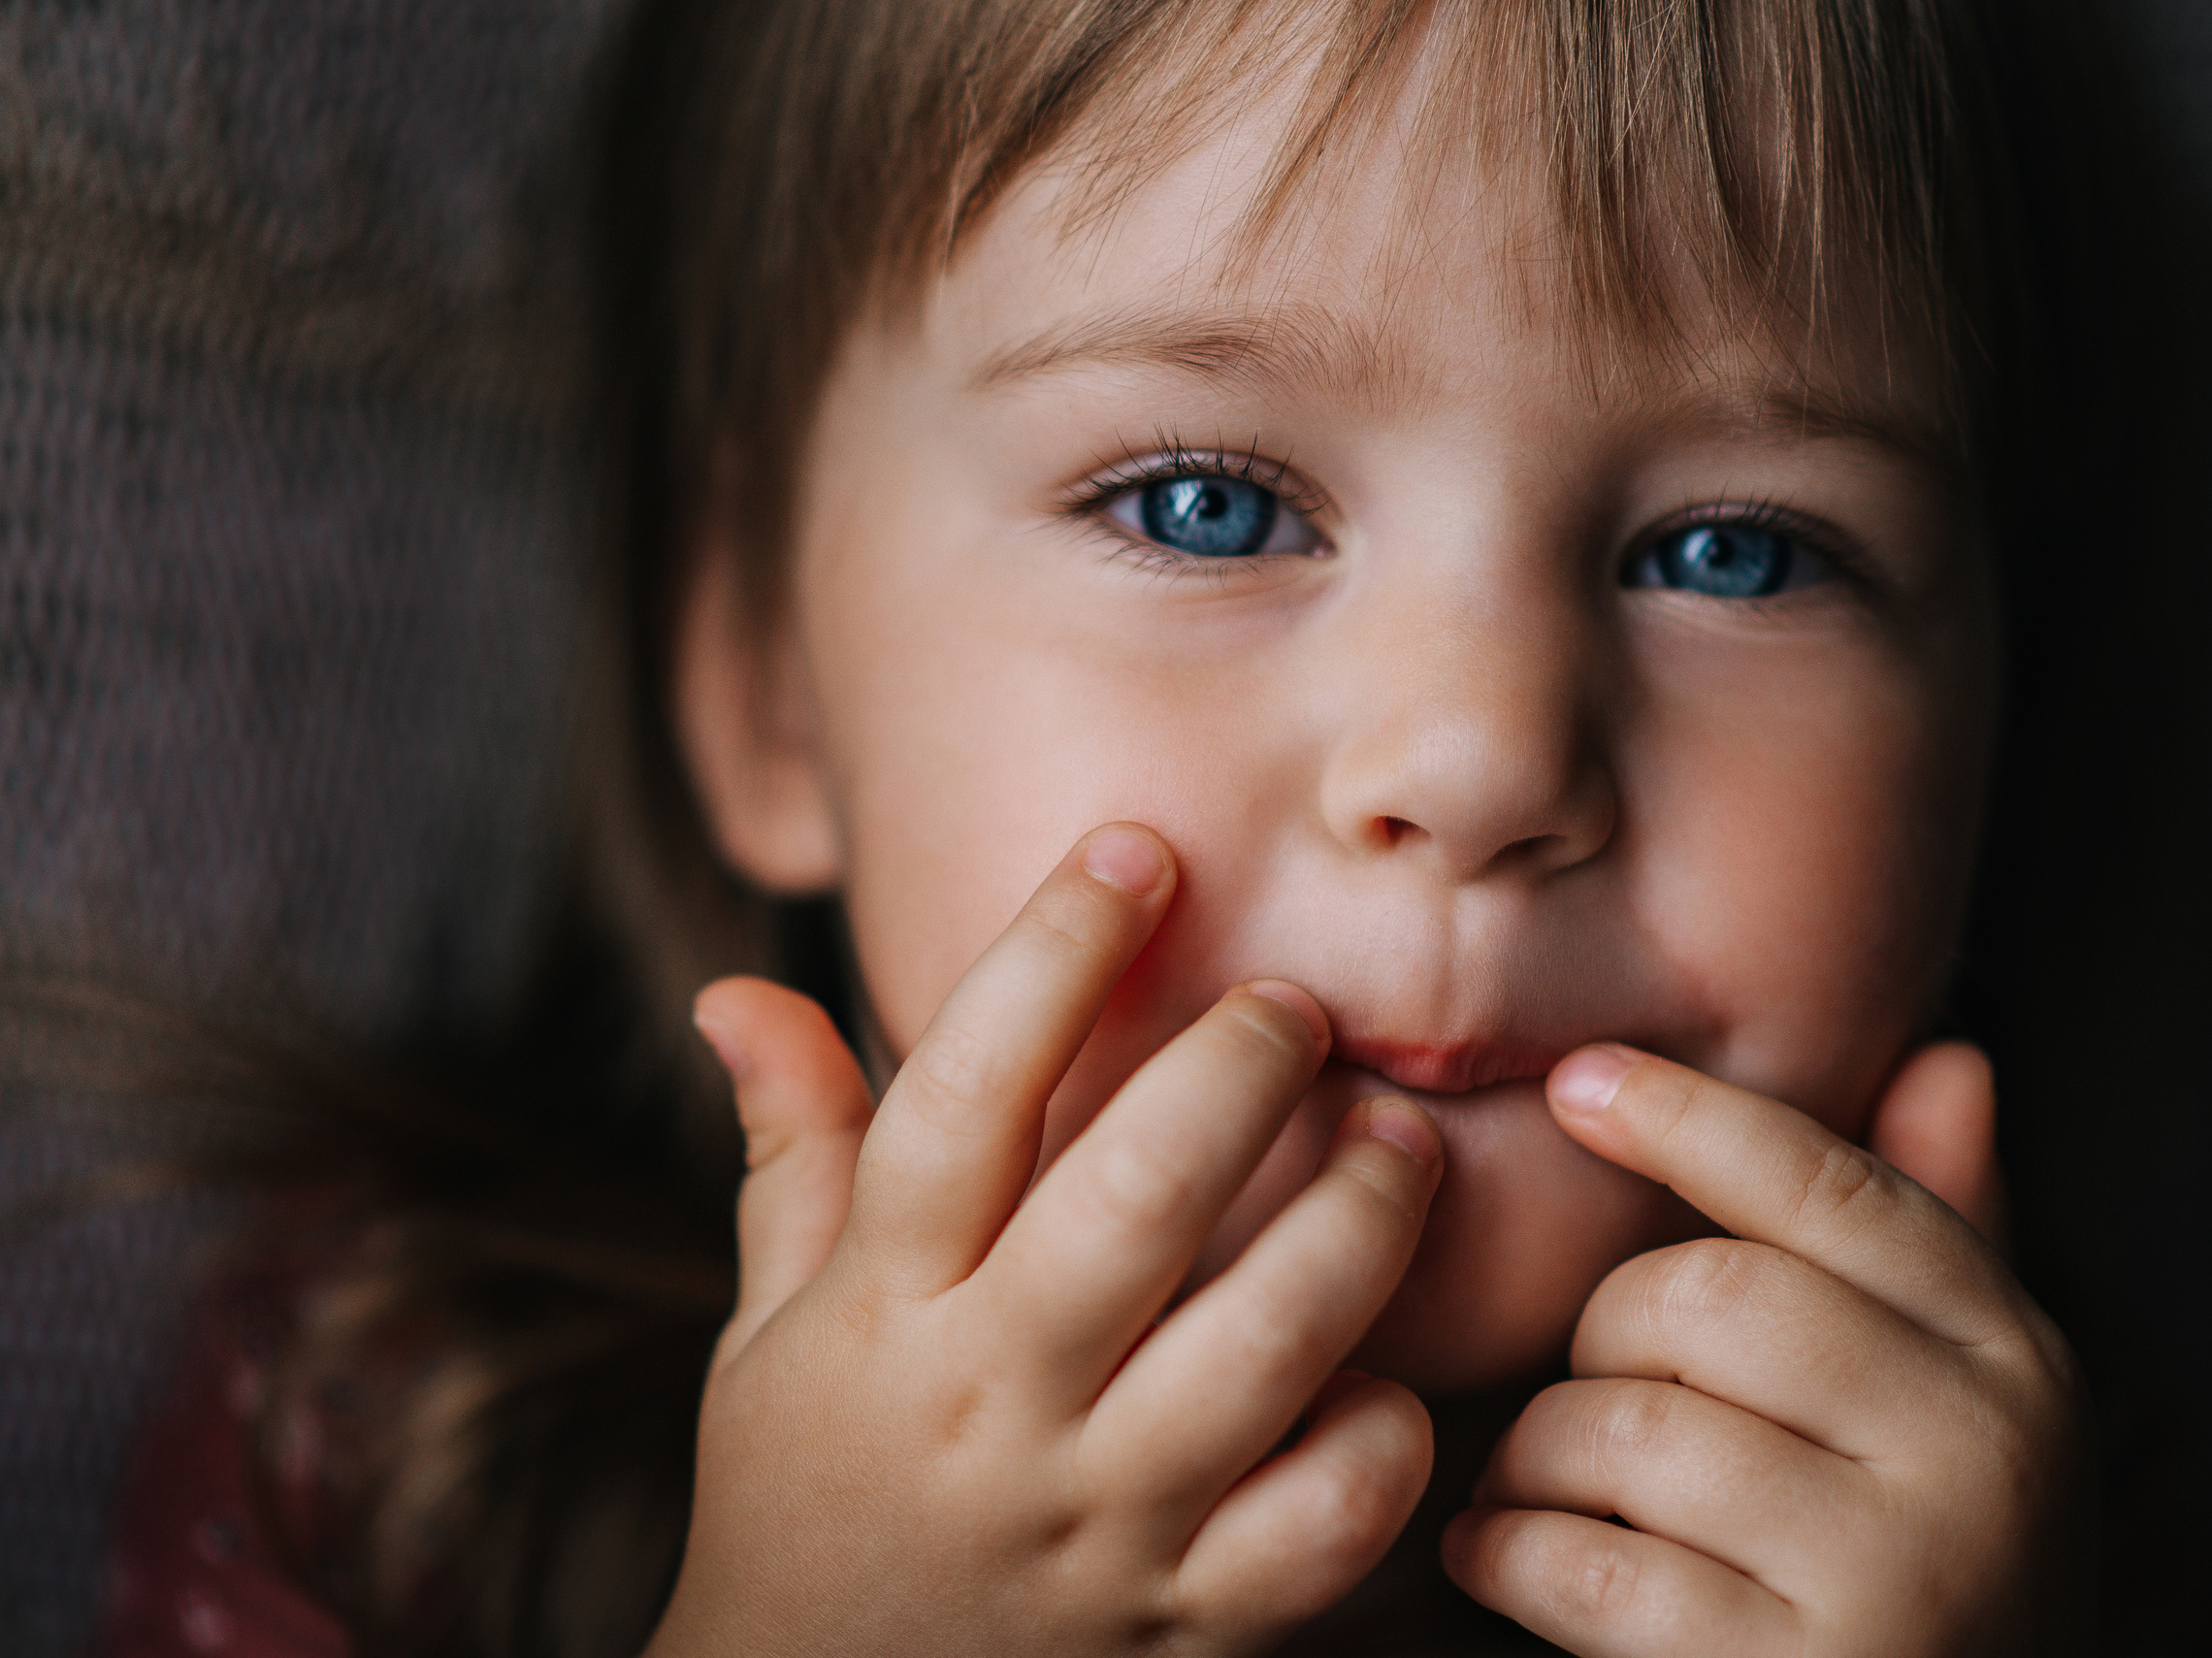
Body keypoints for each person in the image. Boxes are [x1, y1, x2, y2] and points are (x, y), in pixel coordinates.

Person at [100, 1, 2089, 1652]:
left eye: (1737, 551)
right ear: (767, 682)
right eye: (1203, 506)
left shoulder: (2021, 1538)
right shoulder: (409, 1422)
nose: (1484, 761)